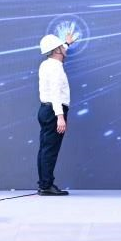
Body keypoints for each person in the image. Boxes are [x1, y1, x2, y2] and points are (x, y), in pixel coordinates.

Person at [36, 31, 75, 196]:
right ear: (57, 50)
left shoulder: (46, 64)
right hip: (54, 111)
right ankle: (46, 185)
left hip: (46, 110)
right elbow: (55, 93)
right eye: (62, 46)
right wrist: (60, 116)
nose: (64, 48)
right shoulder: (55, 68)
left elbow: (58, 49)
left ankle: (44, 183)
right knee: (50, 150)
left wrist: (67, 43)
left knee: (45, 149)